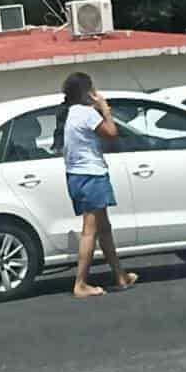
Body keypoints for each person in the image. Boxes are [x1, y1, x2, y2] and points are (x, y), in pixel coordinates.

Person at [53, 72, 138, 300]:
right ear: (86, 92)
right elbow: (111, 133)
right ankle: (80, 283)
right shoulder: (87, 114)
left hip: (77, 176)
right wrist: (105, 109)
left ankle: (120, 276)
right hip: (91, 175)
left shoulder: (70, 113)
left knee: (104, 228)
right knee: (90, 231)